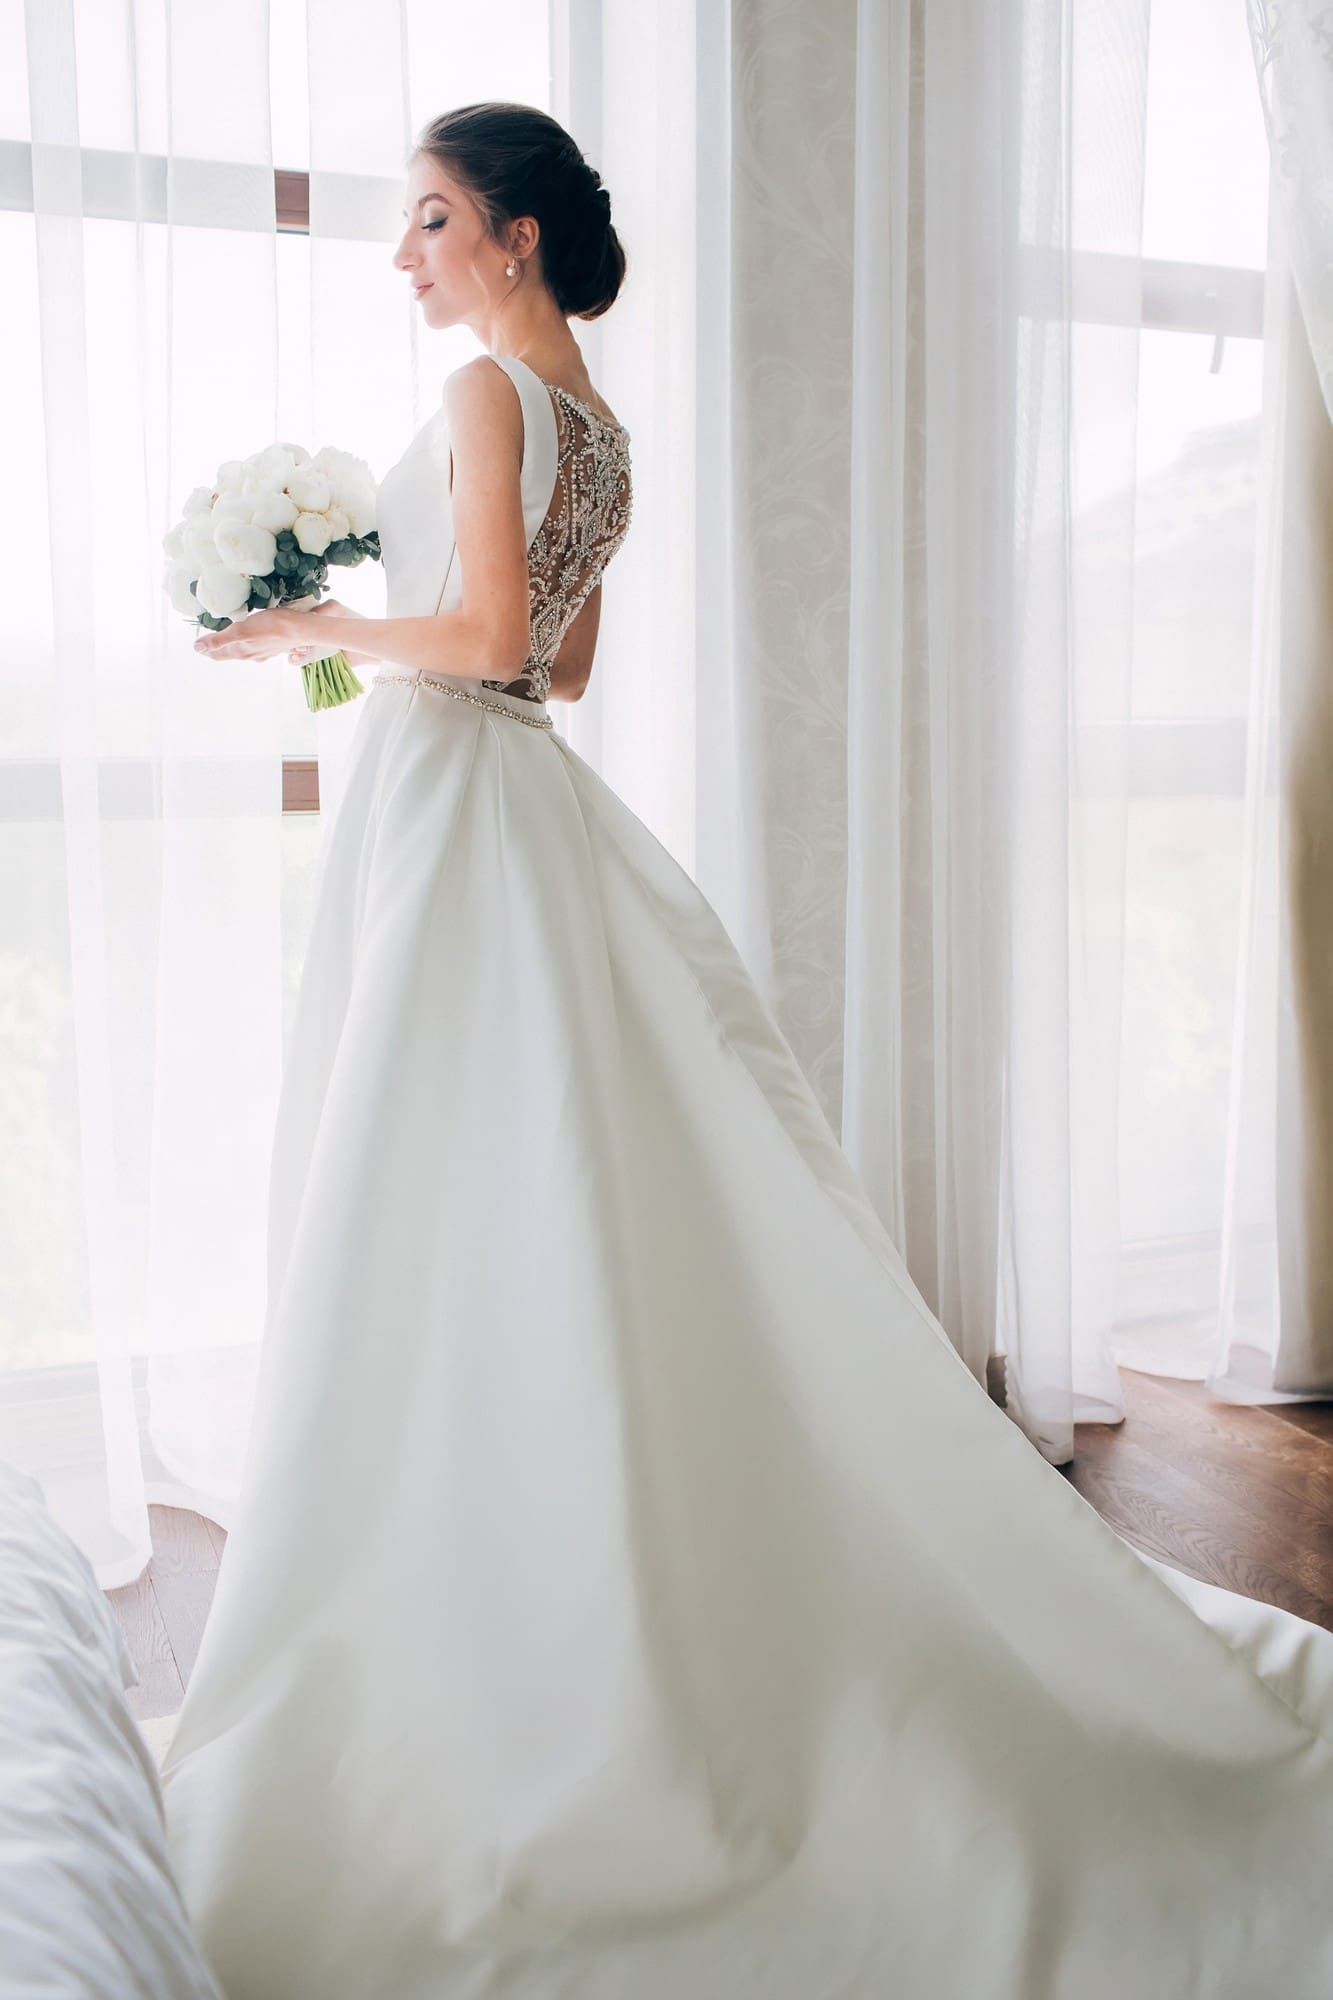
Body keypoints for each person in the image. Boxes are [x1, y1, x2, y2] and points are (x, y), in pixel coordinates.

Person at [160, 100, 1333, 2000]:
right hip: (508, 797)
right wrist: (351, 631)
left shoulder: (481, 398)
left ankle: (468, 1584)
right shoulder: (601, 432)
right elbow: (564, 664)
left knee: (435, 1179)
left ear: (515, 239)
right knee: (524, 1177)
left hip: (461, 810)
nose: (409, 257)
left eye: (433, 220)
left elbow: (472, 635)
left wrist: (324, 623)